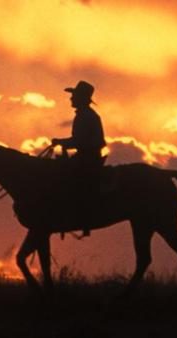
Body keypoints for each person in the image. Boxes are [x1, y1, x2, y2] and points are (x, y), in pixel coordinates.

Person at [51, 80, 106, 237]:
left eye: (74, 95)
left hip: (88, 158)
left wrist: (60, 142)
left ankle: (77, 216)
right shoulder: (86, 115)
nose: (71, 98)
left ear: (81, 98)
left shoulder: (87, 116)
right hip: (87, 156)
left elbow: (79, 141)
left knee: (65, 179)